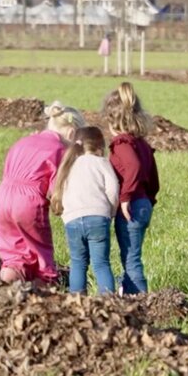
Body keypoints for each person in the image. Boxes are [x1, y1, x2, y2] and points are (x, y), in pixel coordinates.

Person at [0, 101, 85, 288]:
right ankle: (43, 295)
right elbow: (55, 189)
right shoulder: (61, 151)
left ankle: (4, 289)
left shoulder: (23, 141)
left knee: (14, 255)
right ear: (72, 133)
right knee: (42, 256)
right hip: (28, 202)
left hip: (3, 198)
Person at [102, 82, 159, 295]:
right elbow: (153, 179)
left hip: (131, 207)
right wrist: (148, 201)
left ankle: (141, 303)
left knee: (131, 260)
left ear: (112, 120)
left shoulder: (122, 144)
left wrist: (125, 197)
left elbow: (133, 167)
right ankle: (127, 294)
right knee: (130, 256)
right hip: (143, 203)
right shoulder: (141, 144)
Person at [50, 126, 119, 296]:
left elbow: (60, 191)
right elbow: (112, 190)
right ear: (100, 146)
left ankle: (76, 303)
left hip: (72, 220)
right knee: (101, 263)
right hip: (98, 218)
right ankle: (108, 302)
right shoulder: (101, 163)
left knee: (78, 263)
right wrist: (111, 212)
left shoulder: (67, 165)